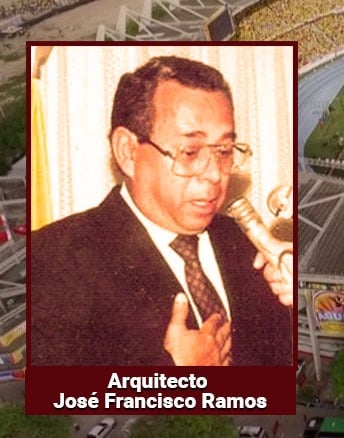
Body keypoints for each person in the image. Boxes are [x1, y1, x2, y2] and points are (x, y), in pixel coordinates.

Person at [30, 55, 292, 366]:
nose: (214, 174)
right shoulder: (54, 259)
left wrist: (299, 302)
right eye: (190, 152)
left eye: (223, 151)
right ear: (127, 151)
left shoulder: (249, 247)